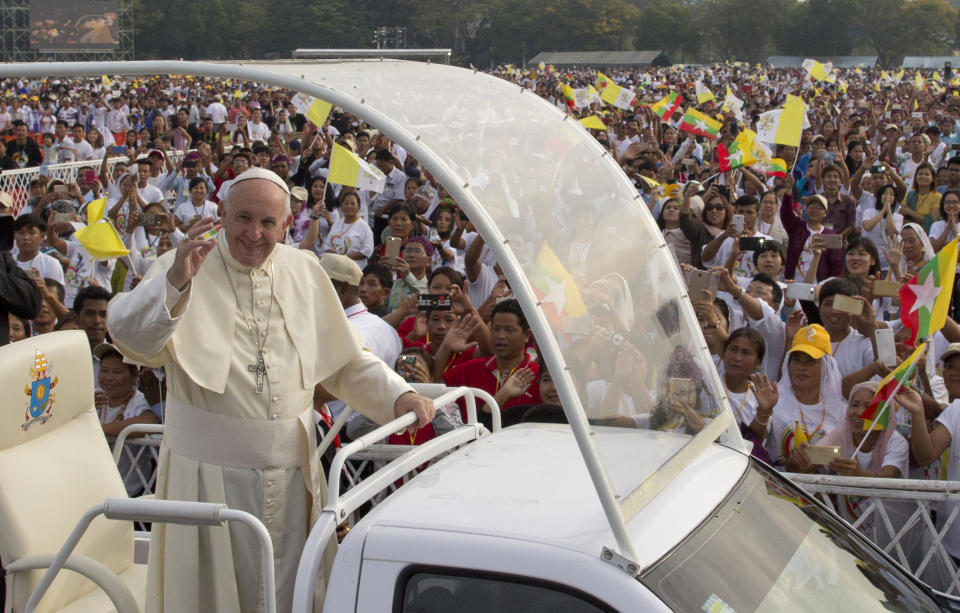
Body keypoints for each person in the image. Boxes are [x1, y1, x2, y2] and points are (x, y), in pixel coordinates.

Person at [106, 168, 435, 612]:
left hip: (290, 479)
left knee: (288, 595)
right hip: (206, 481)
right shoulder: (183, 261)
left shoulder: (304, 270)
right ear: (221, 214)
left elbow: (342, 360)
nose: (254, 234)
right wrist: (176, 284)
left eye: (268, 223)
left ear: (286, 225)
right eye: (242, 218)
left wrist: (399, 395)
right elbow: (132, 340)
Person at [768, 322, 847, 470]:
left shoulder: (842, 412)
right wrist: (763, 412)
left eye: (810, 362)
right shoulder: (773, 401)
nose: (802, 367)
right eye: (796, 360)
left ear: (826, 367)